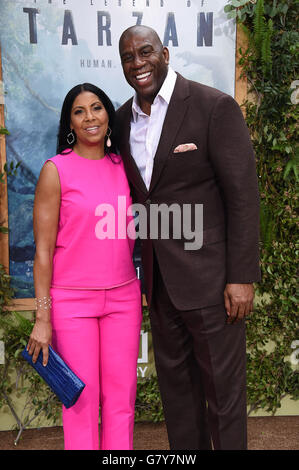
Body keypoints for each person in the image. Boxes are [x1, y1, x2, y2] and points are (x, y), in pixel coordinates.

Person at [115, 25, 261, 450]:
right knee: (178, 400)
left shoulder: (212, 106)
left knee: (224, 398)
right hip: (161, 287)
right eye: (128, 57)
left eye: (145, 53)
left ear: (164, 52)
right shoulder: (123, 119)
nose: (138, 63)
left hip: (215, 285)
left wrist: (241, 277)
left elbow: (243, 197)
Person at [27, 83, 142, 450]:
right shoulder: (55, 170)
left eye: (97, 108)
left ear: (109, 116)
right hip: (71, 305)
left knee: (122, 401)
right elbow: (43, 252)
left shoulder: (126, 167)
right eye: (80, 111)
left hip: (124, 299)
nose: (90, 117)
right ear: (70, 123)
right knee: (80, 402)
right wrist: (42, 318)